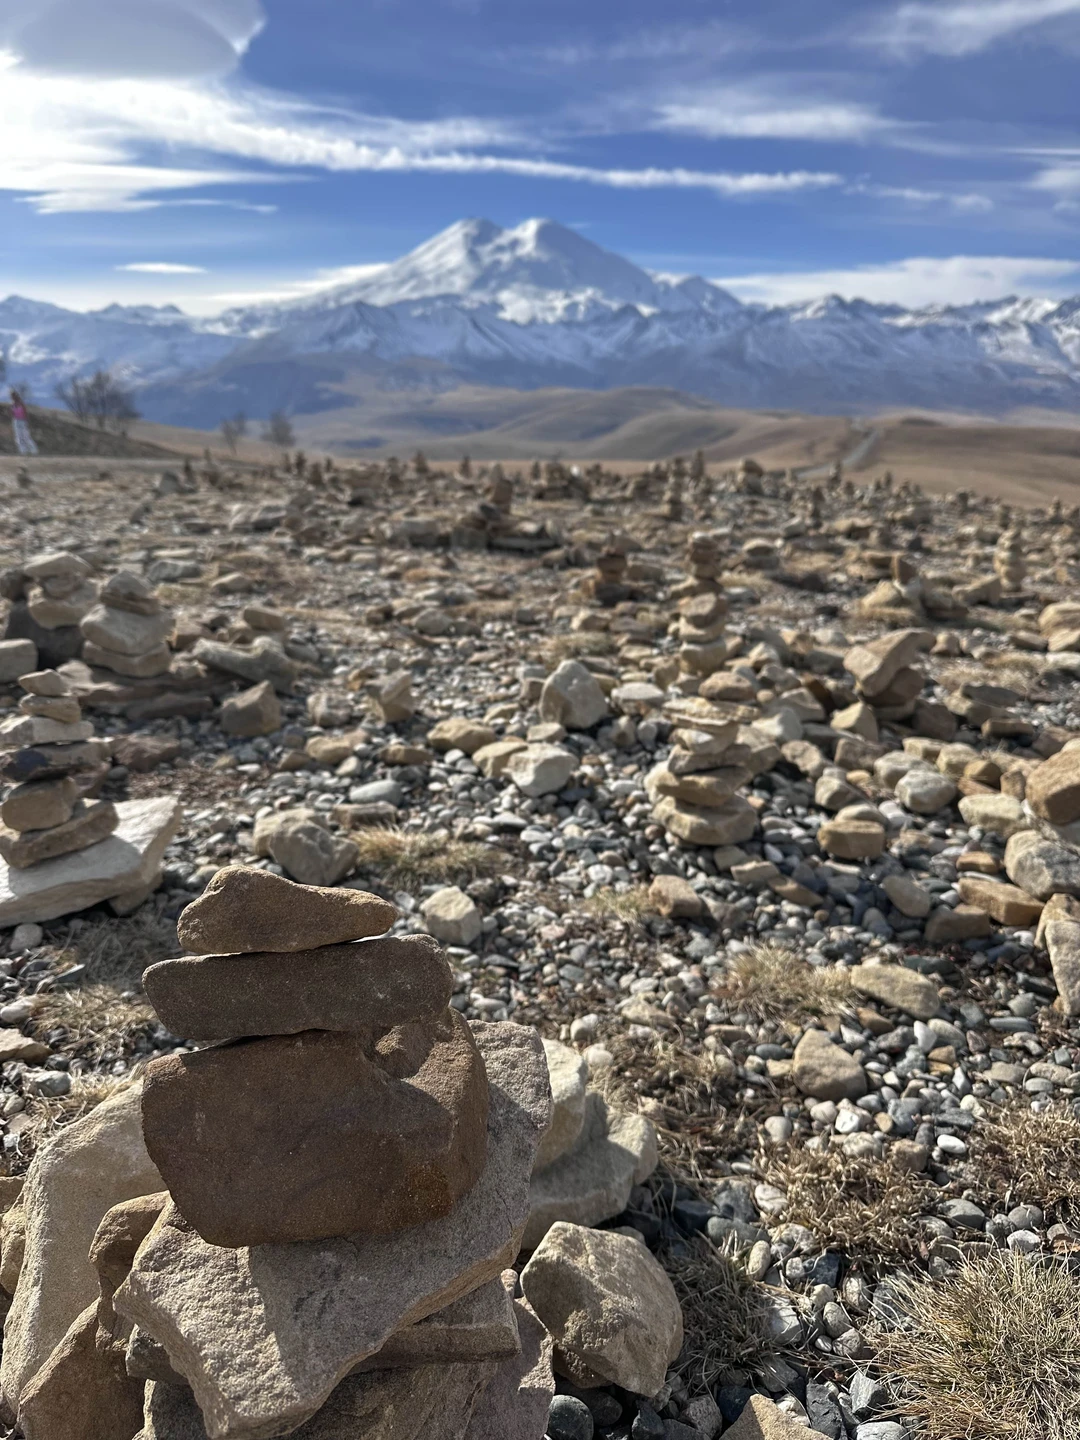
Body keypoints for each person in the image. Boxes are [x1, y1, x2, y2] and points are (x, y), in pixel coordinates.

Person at [10, 391, 37, 457]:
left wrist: (26, 421)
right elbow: (12, 414)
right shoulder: (12, 405)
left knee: (26, 436)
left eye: (13, 396)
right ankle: (23, 451)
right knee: (19, 436)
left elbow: (25, 412)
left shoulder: (21, 404)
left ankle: (33, 450)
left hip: (23, 421)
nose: (13, 398)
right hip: (16, 421)